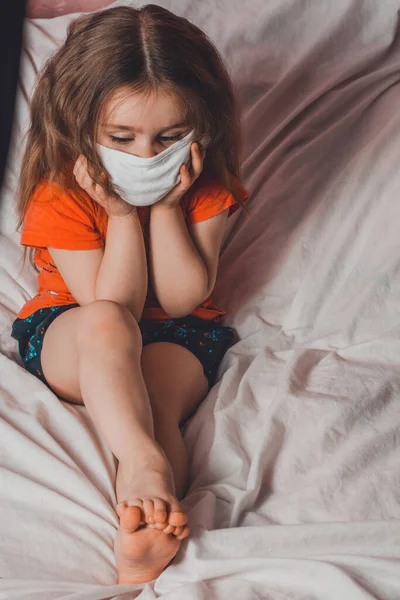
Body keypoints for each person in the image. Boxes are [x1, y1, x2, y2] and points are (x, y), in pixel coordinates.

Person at [10, 4, 250, 585]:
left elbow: (184, 297)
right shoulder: (61, 190)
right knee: (110, 328)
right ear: (79, 124)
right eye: (122, 137)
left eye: (168, 137)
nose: (146, 156)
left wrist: (166, 206)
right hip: (78, 326)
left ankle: (145, 530)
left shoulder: (202, 185)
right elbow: (110, 304)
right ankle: (142, 461)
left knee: (161, 397)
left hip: (177, 330)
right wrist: (120, 215)